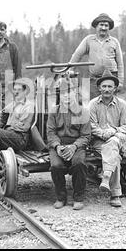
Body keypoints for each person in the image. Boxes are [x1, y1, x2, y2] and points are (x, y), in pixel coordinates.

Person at [46, 76, 91, 210]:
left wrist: (74, 146)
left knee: (79, 164)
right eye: (63, 93)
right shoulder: (54, 111)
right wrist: (57, 146)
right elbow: (50, 133)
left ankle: (78, 198)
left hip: (77, 145)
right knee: (56, 166)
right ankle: (61, 197)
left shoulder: (83, 111)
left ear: (75, 94)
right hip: (58, 145)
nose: (66, 96)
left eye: (69, 92)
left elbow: (86, 136)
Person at [89, 69, 126, 207]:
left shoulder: (122, 105)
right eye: (104, 86)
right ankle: (115, 195)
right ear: (99, 88)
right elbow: (91, 125)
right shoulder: (92, 105)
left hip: (118, 139)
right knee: (115, 157)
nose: (107, 89)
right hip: (98, 141)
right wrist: (102, 133)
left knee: (113, 143)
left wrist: (113, 131)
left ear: (114, 89)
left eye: (110, 86)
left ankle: (106, 176)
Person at [69, 13, 124, 100]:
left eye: (106, 25)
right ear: (96, 26)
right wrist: (70, 69)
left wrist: (120, 82)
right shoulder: (89, 40)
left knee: (111, 105)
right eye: (101, 25)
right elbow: (77, 55)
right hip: (94, 80)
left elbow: (120, 64)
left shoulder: (114, 42)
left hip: (111, 79)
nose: (103, 28)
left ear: (109, 28)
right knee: (94, 105)